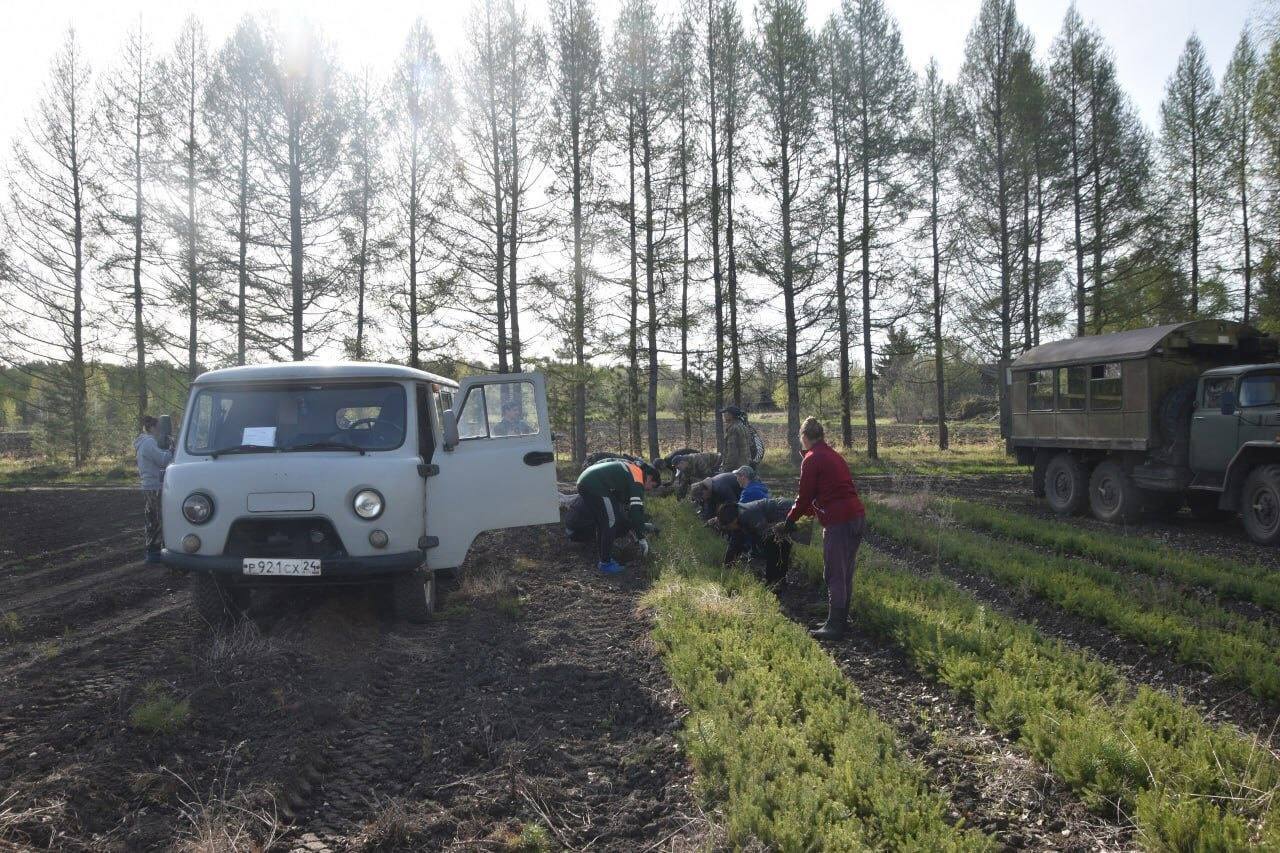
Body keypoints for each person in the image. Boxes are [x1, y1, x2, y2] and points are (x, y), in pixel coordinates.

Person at [779, 417, 864, 640]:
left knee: (834, 573)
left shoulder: (812, 458)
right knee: (844, 573)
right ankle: (838, 621)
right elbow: (824, 492)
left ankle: (835, 626)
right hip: (855, 517)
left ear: (804, 437)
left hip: (839, 521)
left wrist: (789, 521)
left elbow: (804, 496)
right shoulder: (832, 455)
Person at [575, 458, 659, 574]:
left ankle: (604, 560)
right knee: (611, 521)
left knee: (602, 523)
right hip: (594, 485)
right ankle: (606, 563)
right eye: (652, 486)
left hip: (586, 481)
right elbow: (635, 511)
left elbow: (627, 510)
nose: (648, 490)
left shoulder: (632, 471)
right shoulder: (638, 478)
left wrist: (640, 525)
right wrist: (641, 538)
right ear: (649, 477)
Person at [717, 498, 793, 590]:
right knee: (777, 546)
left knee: (777, 545)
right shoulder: (738, 517)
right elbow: (735, 543)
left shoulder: (748, 514)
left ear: (733, 520)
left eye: (728, 526)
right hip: (774, 521)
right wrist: (727, 564)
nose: (729, 529)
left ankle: (775, 581)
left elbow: (768, 538)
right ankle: (777, 580)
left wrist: (768, 577)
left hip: (787, 511)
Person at [134, 415, 173, 563]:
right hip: (154, 485)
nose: (159, 430)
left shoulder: (145, 442)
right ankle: (154, 553)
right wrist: (171, 451)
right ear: (151, 428)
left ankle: (153, 551)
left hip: (149, 485)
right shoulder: (148, 442)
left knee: (152, 517)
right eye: (157, 427)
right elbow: (162, 460)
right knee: (155, 519)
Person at [720, 405, 752, 472]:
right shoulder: (742, 426)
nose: (724, 415)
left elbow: (732, 452)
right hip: (745, 465)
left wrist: (726, 468)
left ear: (731, 415)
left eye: (725, 413)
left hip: (736, 468)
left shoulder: (733, 429)